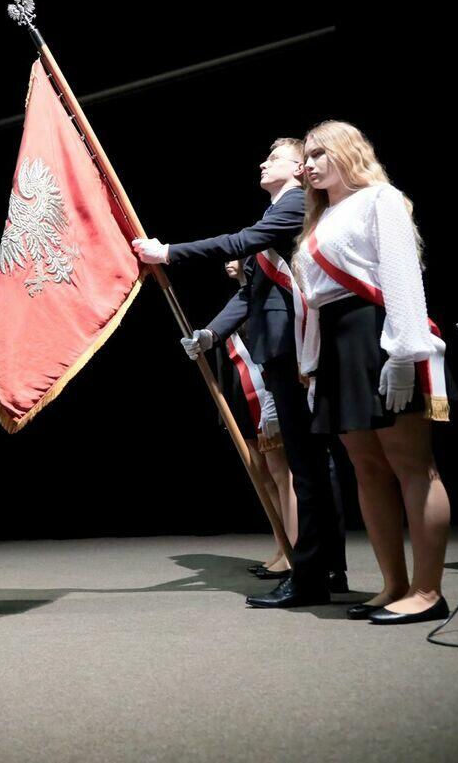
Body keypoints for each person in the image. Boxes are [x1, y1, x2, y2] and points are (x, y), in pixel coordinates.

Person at [133, 137, 349, 608]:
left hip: (295, 348)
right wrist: (211, 334)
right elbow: (250, 294)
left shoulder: (295, 204)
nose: (262, 163)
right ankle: (322, 568)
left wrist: (168, 252)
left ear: (297, 169)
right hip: (278, 348)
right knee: (307, 462)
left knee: (309, 463)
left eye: (274, 157)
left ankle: (315, 572)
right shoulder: (277, 212)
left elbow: (239, 243)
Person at [293, 120, 451, 624]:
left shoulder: (380, 199)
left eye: (319, 153)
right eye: (306, 157)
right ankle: (393, 584)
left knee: (411, 464)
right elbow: (312, 304)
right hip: (337, 345)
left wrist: (404, 355)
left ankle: (428, 591)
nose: (308, 165)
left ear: (348, 151)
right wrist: (311, 367)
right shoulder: (319, 219)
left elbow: (402, 276)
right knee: (366, 467)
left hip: (378, 335)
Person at [217, 260, 297, 579]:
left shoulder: (268, 297)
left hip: (268, 394)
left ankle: (294, 549)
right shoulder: (237, 301)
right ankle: (281, 544)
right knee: (262, 474)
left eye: (238, 257)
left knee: (281, 473)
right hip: (243, 394)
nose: (229, 262)